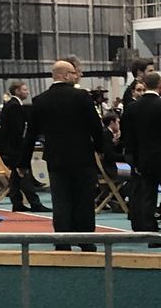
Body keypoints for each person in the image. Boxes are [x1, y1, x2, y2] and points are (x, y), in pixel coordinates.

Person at [29, 59, 109, 252]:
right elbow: (95, 127)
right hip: (82, 156)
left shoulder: (40, 100)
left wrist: (23, 163)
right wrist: (100, 149)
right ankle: (85, 240)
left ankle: (62, 241)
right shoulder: (81, 96)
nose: (76, 76)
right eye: (74, 73)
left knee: (61, 201)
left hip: (56, 158)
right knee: (84, 199)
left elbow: (31, 134)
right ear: (65, 75)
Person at [121, 71, 161, 239]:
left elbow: (129, 137)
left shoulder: (132, 107)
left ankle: (151, 233)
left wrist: (135, 161)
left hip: (144, 159)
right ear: (160, 85)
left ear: (145, 85)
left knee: (148, 196)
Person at [0, 81, 42, 212]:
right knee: (23, 173)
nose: (27, 92)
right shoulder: (14, 106)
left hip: (11, 146)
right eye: (24, 90)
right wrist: (23, 145)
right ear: (17, 91)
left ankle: (16, 202)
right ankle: (35, 202)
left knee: (15, 177)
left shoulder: (12, 105)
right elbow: (17, 130)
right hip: (15, 147)